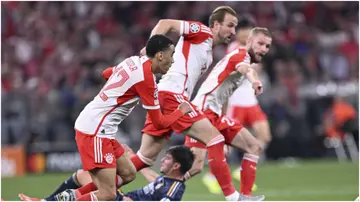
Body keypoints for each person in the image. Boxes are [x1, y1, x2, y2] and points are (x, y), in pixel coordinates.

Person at [19, 34, 193, 202]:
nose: (172, 61)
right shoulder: (147, 80)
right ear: (160, 55)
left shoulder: (132, 61)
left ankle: (67, 197)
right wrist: (180, 111)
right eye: (171, 55)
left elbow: (106, 73)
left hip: (99, 128)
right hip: (95, 131)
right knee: (107, 194)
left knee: (128, 173)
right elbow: (159, 123)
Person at [183, 27, 272, 198]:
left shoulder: (243, 58)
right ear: (249, 42)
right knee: (195, 164)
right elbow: (247, 70)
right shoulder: (240, 56)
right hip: (201, 112)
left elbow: (226, 91)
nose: (263, 49)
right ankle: (159, 188)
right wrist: (254, 81)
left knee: (254, 147)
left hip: (214, 114)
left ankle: (244, 197)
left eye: (267, 46)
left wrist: (222, 117)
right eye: (260, 44)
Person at [19, 145, 195, 201]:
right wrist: (135, 158)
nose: (162, 160)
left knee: (96, 186)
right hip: (123, 198)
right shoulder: (167, 180)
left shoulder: (174, 190)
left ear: (176, 166)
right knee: (83, 175)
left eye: (167, 159)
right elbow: (154, 178)